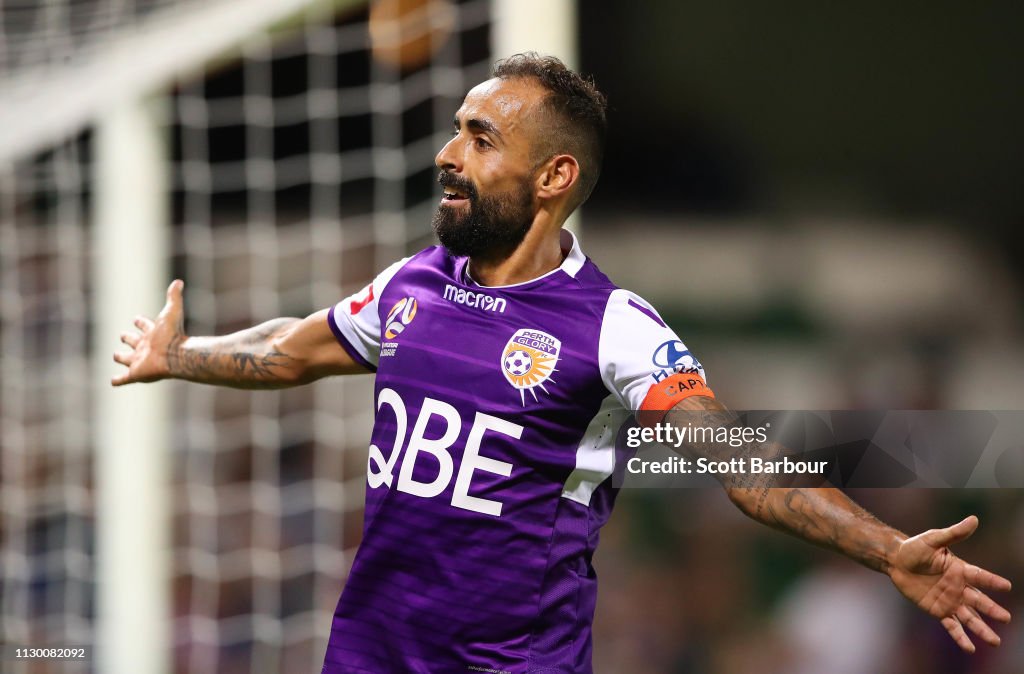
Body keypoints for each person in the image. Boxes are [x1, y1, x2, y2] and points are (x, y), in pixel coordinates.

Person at [112, 53, 1012, 673]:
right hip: (370, 651)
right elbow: (292, 350)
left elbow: (742, 468)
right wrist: (180, 355)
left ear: (553, 178)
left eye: (480, 137)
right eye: (457, 131)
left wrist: (887, 548)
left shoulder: (612, 326)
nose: (448, 154)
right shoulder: (413, 284)